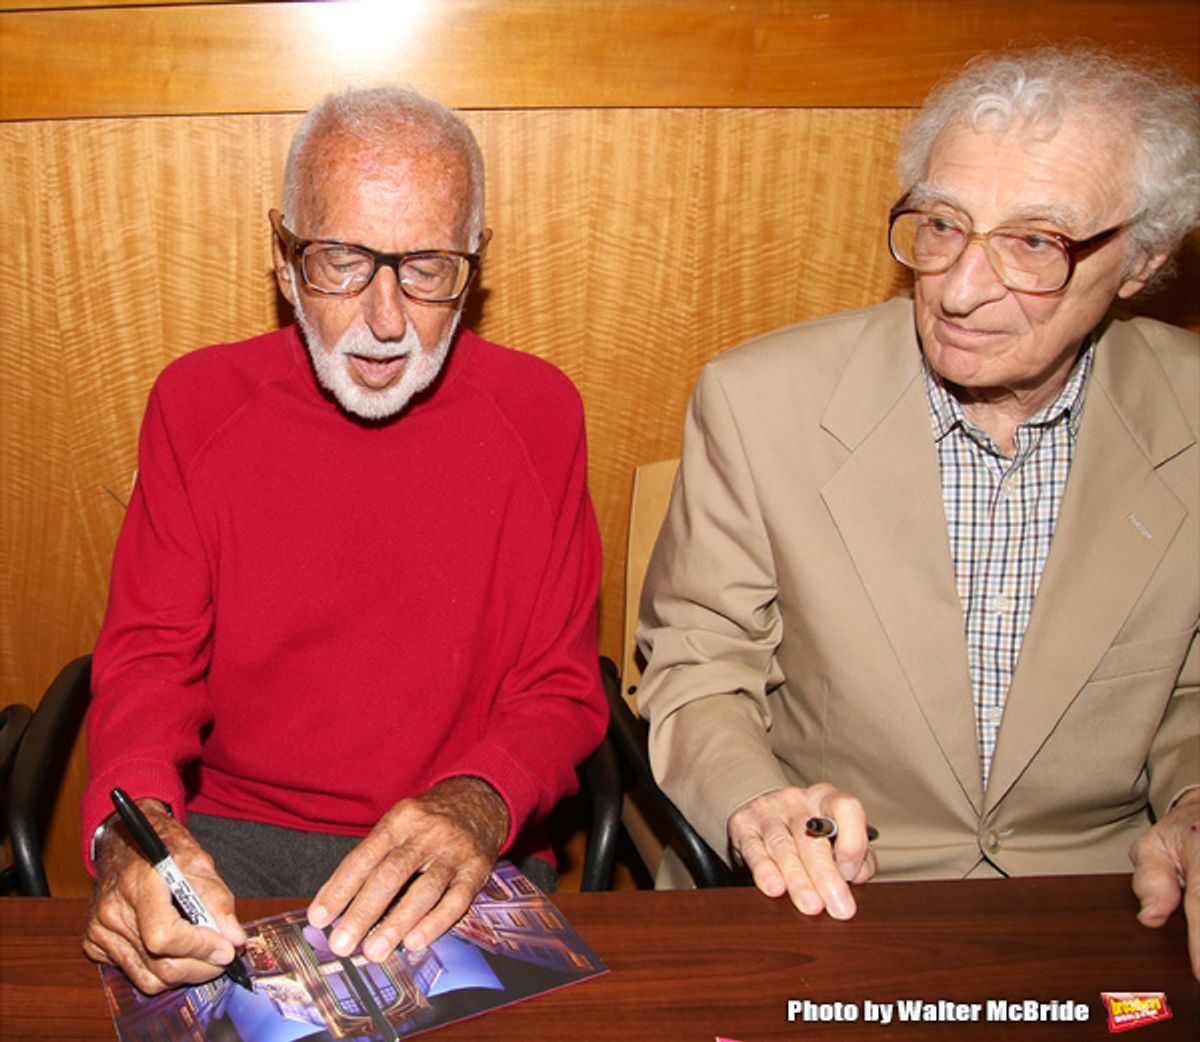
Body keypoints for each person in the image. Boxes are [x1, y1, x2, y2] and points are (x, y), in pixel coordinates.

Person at [636, 45, 1200, 976]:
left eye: (1034, 243)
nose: (959, 289)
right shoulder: (760, 400)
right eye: (943, 225)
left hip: (1109, 907)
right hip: (834, 903)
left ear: (1141, 262)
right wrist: (755, 799)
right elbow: (699, 662)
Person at [80, 86, 606, 994]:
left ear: (476, 266)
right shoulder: (196, 403)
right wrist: (140, 832)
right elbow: (149, 661)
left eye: (430, 267)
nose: (388, 319)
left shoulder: (542, 414)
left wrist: (479, 804)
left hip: (464, 836)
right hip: (235, 846)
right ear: (284, 258)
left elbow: (560, 687)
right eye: (342, 263)